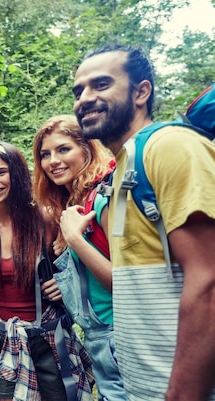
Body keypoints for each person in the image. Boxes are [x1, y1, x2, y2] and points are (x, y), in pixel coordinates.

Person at [72, 44, 215, 401]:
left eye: (101, 84)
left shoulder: (170, 147)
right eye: (79, 91)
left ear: (141, 92)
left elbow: (209, 279)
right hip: (142, 386)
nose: (85, 98)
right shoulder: (124, 167)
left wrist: (182, 394)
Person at [0, 142, 94, 401]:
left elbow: (79, 263)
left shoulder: (45, 218)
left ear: (18, 174)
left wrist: (63, 284)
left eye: (1, 172)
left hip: (48, 337)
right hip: (1, 340)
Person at [32, 115, 125, 401]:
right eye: (45, 155)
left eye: (63, 149)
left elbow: (123, 283)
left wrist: (73, 238)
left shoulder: (103, 199)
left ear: (87, 149)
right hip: (98, 338)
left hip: (119, 335)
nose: (52, 161)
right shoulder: (74, 202)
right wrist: (69, 283)